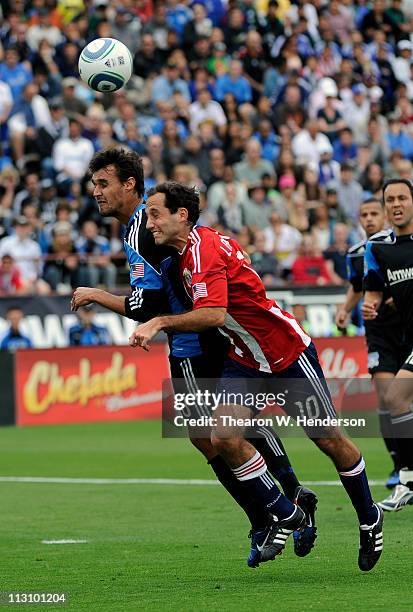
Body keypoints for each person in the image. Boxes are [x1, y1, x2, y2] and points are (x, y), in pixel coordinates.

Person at [70, 148, 317, 565]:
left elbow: (144, 304)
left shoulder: (142, 230)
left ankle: (279, 509)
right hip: (196, 339)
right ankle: (278, 506)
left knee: (215, 434)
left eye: (103, 184)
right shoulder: (143, 227)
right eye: (94, 184)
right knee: (212, 435)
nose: (96, 193)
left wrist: (97, 295)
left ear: (129, 184)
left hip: (195, 342)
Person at [129, 181, 384, 572]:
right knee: (223, 437)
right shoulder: (185, 253)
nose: (149, 224)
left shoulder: (204, 251)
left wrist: (159, 321)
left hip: (286, 352)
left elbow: (213, 314)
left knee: (330, 440)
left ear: (182, 215)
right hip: (245, 357)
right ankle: (287, 511)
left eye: (155, 214)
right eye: (147, 216)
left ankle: (369, 517)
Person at [336, 198, 407, 495]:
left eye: (373, 213)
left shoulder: (400, 248)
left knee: (401, 398)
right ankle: (399, 465)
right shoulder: (357, 254)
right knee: (385, 397)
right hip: (378, 333)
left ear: (386, 216)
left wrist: (397, 298)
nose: (369, 219)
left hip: (405, 329)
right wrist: (344, 309)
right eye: (363, 215)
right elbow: (358, 287)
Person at [363, 178, 413, 512]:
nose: (396, 204)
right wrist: (370, 305)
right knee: (395, 398)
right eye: (390, 200)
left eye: (402, 198)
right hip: (406, 339)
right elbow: (373, 294)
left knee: (397, 396)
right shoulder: (378, 249)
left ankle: (408, 478)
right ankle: (407, 479)